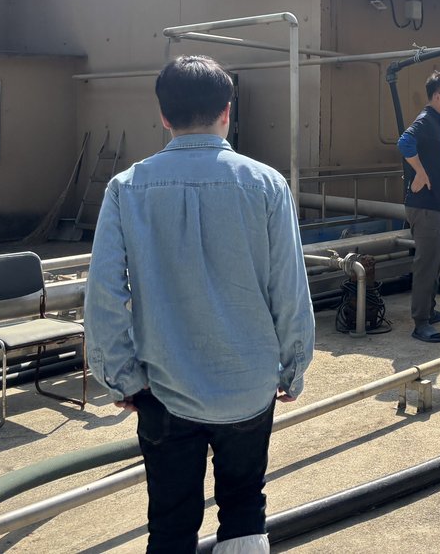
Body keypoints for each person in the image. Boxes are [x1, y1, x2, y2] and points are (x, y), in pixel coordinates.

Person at [85, 55, 315, 554]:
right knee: (245, 507)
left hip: (164, 388)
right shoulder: (267, 184)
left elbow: (103, 295)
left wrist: (121, 378)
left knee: (170, 526)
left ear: (163, 116)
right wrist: (292, 367)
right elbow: (290, 290)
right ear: (227, 111)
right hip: (249, 385)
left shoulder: (126, 188)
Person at [397, 70, 440, 343]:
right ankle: (420, 322)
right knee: (426, 262)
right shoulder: (425, 120)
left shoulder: (437, 121)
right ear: (437, 96)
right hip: (424, 206)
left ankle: (429, 310)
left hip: (435, 204)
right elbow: (404, 142)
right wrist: (420, 173)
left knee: (437, 257)